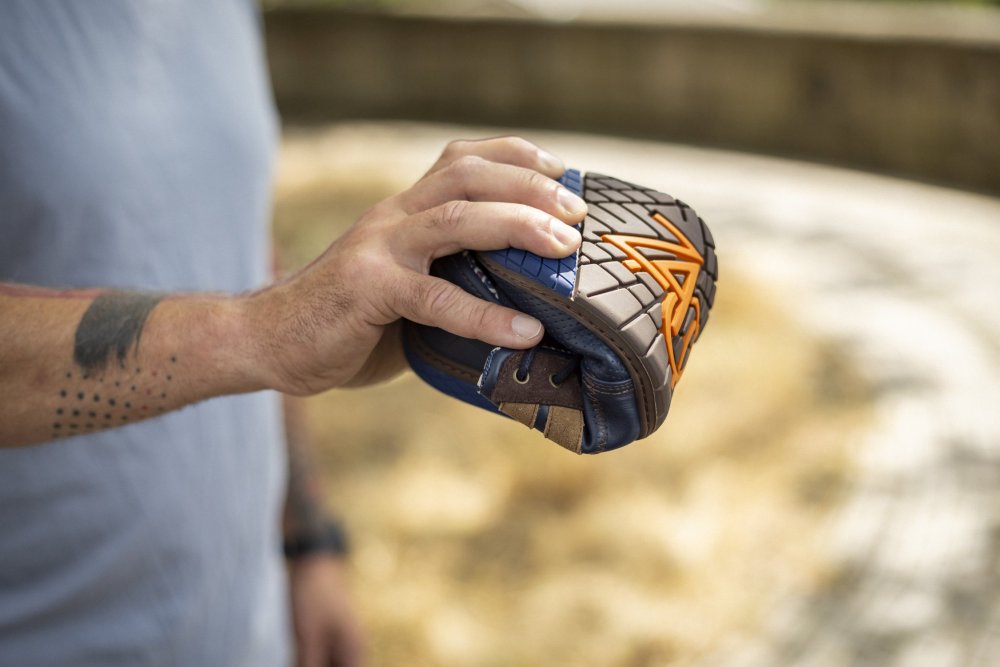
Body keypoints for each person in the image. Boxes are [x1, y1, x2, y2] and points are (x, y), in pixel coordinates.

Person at [0, 2, 585, 666]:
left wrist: (307, 541)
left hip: (243, 623)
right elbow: (263, 321)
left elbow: (234, 239)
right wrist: (260, 330)